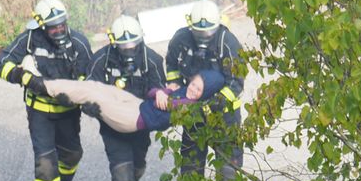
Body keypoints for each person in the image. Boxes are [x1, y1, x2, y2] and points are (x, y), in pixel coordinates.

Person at [0, 0, 93, 181]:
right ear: (41, 26)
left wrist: (76, 94)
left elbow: (90, 76)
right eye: (53, 27)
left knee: (72, 155)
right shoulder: (30, 39)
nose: (59, 30)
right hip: (39, 112)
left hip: (68, 112)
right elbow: (2, 63)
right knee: (45, 161)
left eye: (62, 24)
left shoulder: (79, 42)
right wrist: (24, 77)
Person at [164, 0, 246, 181]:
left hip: (225, 120)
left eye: (207, 32)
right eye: (198, 32)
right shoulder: (181, 40)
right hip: (194, 117)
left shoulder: (228, 43)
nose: (203, 37)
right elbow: (172, 65)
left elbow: (237, 82)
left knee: (227, 173)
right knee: (191, 164)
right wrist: (174, 86)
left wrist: (216, 103)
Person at [86, 15, 167, 181]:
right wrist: (90, 106)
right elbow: (89, 88)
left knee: (136, 166)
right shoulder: (101, 60)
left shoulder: (151, 60)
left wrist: (160, 99)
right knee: (121, 168)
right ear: (114, 43)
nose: (129, 50)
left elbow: (159, 87)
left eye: (133, 44)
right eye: (124, 46)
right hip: (112, 126)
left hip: (140, 125)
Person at [45, 70, 226, 136]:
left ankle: (45, 87)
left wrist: (165, 91)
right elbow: (151, 93)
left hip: (132, 119)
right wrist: (161, 92)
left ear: (204, 94)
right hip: (137, 105)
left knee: (94, 96)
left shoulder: (190, 105)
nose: (192, 89)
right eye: (193, 84)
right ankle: (50, 84)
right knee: (98, 87)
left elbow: (164, 103)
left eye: (198, 90)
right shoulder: (182, 91)